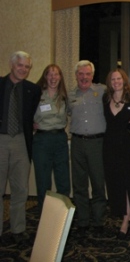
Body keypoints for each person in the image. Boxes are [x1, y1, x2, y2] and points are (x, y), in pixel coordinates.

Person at [0, 51, 41, 244]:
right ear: (11, 64)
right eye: (20, 65)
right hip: (0, 140)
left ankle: (18, 229)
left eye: (27, 67)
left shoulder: (32, 90)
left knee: (20, 189)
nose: (23, 69)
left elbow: (32, 115)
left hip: (21, 142)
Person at [68, 60, 107, 237]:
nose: (84, 77)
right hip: (76, 143)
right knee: (79, 185)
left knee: (98, 184)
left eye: (87, 74)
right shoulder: (69, 95)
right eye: (81, 74)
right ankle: (82, 221)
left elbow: (121, 101)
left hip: (97, 144)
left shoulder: (103, 91)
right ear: (76, 75)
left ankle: (99, 222)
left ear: (92, 75)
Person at [102, 68, 130, 239]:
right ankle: (129, 215)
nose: (116, 82)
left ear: (124, 81)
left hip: (128, 147)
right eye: (113, 79)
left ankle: (126, 220)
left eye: (119, 79)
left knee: (127, 182)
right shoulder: (105, 99)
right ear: (109, 83)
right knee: (115, 182)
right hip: (110, 147)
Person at [32, 64, 70, 212]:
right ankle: (44, 214)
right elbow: (25, 113)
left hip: (60, 139)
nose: (53, 78)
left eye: (56, 74)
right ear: (45, 76)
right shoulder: (37, 95)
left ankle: (63, 215)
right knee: (43, 181)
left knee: (63, 180)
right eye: (50, 74)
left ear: (60, 77)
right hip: (42, 141)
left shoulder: (65, 97)